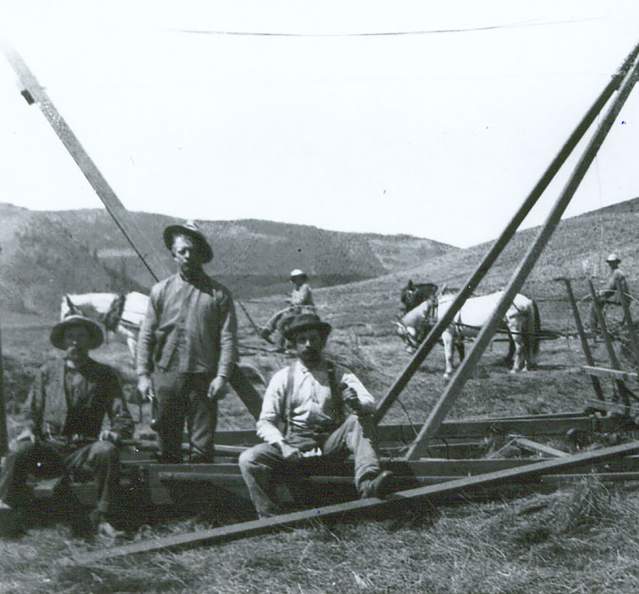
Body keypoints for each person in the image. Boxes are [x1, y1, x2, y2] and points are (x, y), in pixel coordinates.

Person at [239, 312, 393, 518]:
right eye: (302, 340)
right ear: (294, 345)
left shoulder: (339, 373)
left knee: (360, 418)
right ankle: (269, 517)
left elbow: (369, 403)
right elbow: (265, 422)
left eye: (313, 339)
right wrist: (283, 446)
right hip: (294, 445)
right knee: (249, 458)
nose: (308, 344)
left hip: (330, 443)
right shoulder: (282, 378)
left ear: (323, 341)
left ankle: (368, 484)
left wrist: (357, 402)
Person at [0, 312, 133, 537]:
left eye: (80, 336)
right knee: (19, 450)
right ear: (62, 342)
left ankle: (103, 518)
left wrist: (115, 432)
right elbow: (32, 411)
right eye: (70, 337)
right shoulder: (47, 372)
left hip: (83, 449)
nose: (75, 342)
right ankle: (8, 511)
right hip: (49, 448)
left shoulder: (104, 375)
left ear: (90, 342)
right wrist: (29, 430)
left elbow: (122, 416)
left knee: (107, 451)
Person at [136, 220, 238, 463]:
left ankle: (201, 498)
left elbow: (228, 338)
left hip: (203, 379)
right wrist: (142, 375)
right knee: (167, 447)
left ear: (202, 254)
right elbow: (146, 334)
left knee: (201, 450)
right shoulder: (160, 291)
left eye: (193, 251)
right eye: (182, 251)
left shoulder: (219, 294)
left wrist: (222, 377)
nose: (188, 256)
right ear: (174, 254)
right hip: (167, 378)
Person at [260, 269, 315, 350]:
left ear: (301, 278)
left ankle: (279, 345)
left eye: (297, 279)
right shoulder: (296, 289)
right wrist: (290, 300)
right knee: (278, 315)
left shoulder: (305, 287)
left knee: (282, 322)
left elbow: (301, 301)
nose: (295, 281)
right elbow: (295, 301)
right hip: (296, 310)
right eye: (294, 279)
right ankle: (267, 331)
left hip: (305, 311)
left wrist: (291, 301)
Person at [590, 253, 629, 336]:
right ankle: (598, 326)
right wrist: (601, 292)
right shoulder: (615, 272)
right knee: (599, 300)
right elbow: (610, 287)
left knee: (595, 303)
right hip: (619, 295)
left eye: (612, 262)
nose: (610, 264)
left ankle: (595, 328)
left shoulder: (617, 273)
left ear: (616, 263)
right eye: (610, 262)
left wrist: (600, 292)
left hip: (620, 297)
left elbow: (610, 287)